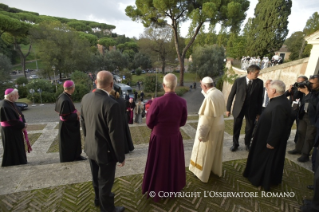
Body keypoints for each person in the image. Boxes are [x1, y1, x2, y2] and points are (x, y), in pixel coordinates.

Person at [81, 70, 125, 212]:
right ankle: (107, 209)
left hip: (90, 147)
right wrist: (120, 156)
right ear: (111, 84)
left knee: (96, 178)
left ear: (96, 82)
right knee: (105, 182)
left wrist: (88, 140)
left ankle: (98, 200)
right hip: (105, 152)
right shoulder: (112, 104)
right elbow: (115, 134)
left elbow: (83, 123)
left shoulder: (85, 98)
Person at [142, 73, 187, 201]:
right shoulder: (182, 102)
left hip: (159, 137)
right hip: (174, 136)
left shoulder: (157, 101)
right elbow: (182, 122)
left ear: (163, 85)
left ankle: (157, 187)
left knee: (158, 162)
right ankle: (172, 186)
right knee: (173, 161)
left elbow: (149, 122)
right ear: (176, 85)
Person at [243, 80, 291, 191]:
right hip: (264, 136)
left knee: (265, 161)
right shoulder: (279, 100)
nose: (267, 91)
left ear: (274, 90)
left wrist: (271, 142)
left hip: (268, 140)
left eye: (268, 89)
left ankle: (260, 179)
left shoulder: (279, 105)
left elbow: (278, 126)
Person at [189, 77, 225, 183]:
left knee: (204, 152)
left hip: (210, 129)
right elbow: (209, 97)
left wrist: (202, 135)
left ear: (205, 86)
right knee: (215, 151)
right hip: (220, 126)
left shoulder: (209, 98)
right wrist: (203, 87)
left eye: (202, 86)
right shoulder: (218, 92)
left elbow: (206, 120)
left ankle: (202, 174)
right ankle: (214, 170)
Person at [226, 65, 263, 152]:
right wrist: (228, 109)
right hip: (239, 108)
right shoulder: (238, 81)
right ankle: (235, 144)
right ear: (250, 72)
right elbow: (231, 95)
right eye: (257, 73)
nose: (258, 75)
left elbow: (260, 98)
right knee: (236, 127)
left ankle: (247, 144)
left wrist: (259, 112)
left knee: (250, 128)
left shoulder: (259, 83)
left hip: (251, 109)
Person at [55, 80, 86, 162]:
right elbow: (65, 116)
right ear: (72, 88)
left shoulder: (63, 96)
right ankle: (69, 158)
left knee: (74, 141)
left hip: (70, 126)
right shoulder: (65, 99)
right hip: (67, 127)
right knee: (69, 143)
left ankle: (76, 155)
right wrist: (76, 115)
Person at [289, 81, 318, 162]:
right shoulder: (302, 93)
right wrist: (297, 90)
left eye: (313, 83)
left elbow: (314, 102)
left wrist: (307, 92)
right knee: (300, 133)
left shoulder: (315, 94)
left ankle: (305, 154)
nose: (310, 84)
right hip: (303, 115)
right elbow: (295, 98)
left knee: (309, 136)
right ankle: (298, 149)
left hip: (312, 117)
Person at [1, 88, 30, 167]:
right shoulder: (5, 106)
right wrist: (23, 125)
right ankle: (13, 162)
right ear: (11, 96)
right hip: (10, 131)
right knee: (13, 147)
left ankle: (20, 160)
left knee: (18, 146)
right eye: (17, 95)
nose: (18, 96)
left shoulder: (11, 103)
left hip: (15, 130)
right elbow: (12, 121)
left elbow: (20, 115)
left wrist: (23, 123)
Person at [110, 90, 134, 154]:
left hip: (117, 119)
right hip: (123, 118)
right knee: (125, 134)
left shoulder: (113, 101)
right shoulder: (121, 100)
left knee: (119, 135)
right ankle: (127, 148)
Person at [286, 76, 307, 146]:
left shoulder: (307, 90)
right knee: (287, 125)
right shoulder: (294, 88)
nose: (299, 83)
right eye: (298, 81)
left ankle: (297, 142)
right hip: (291, 109)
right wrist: (289, 90)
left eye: (301, 82)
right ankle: (284, 139)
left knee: (300, 128)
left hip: (301, 110)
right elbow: (285, 95)